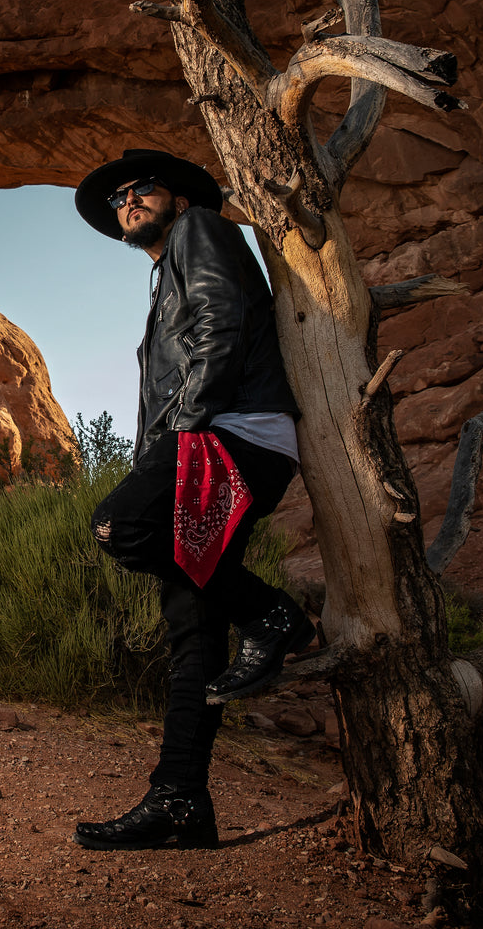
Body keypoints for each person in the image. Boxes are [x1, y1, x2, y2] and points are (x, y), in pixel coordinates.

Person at [70, 148, 314, 851]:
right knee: (192, 636)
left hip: (230, 431)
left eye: (141, 188)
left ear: (175, 196)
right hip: (214, 435)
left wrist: (180, 431)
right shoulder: (161, 269)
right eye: (117, 198)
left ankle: (274, 617)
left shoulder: (199, 230)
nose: (128, 201)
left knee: (117, 525)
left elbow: (218, 323)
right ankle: (179, 800)